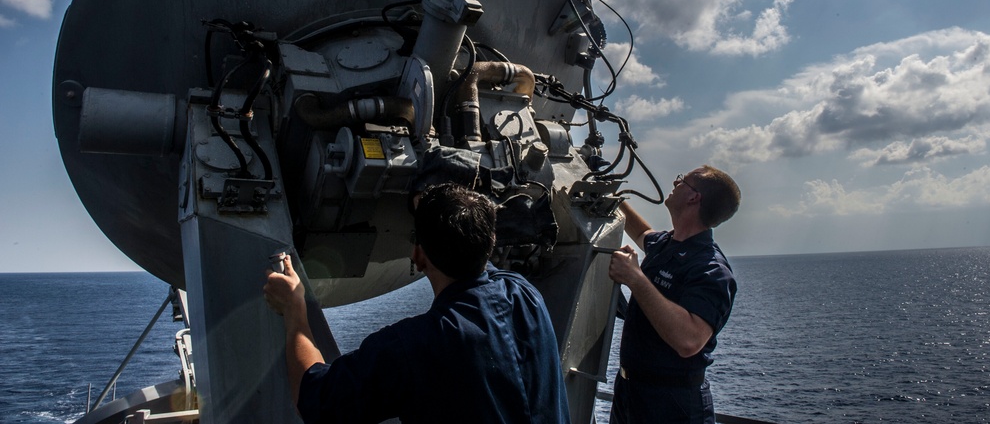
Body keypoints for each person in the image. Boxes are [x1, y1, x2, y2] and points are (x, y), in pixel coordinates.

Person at [263, 182, 571, 424]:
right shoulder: (525, 294)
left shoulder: (416, 347)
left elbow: (316, 399)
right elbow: (472, 256)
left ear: (418, 257)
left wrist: (294, 311)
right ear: (488, 245)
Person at [608, 165, 740, 424]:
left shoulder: (711, 269)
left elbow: (689, 341)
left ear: (694, 197)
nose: (675, 181)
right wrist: (615, 197)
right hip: (630, 392)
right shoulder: (666, 244)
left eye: (682, 181)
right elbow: (640, 232)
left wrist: (635, 278)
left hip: (671, 404)